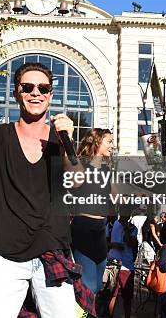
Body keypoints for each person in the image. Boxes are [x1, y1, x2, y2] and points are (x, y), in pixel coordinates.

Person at [0, 63, 92, 318]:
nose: (36, 93)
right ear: (16, 93)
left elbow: (78, 181)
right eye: (28, 87)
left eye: (43, 88)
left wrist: (68, 141)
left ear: (51, 95)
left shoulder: (59, 139)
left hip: (52, 249)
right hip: (6, 253)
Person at [69, 129, 113, 300]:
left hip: (101, 231)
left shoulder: (107, 170)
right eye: (109, 141)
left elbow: (116, 194)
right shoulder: (81, 166)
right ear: (97, 141)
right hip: (83, 228)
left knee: (96, 287)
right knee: (89, 287)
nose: (112, 145)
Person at [106, 215, 138, 318]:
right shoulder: (111, 225)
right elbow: (104, 243)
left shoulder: (133, 228)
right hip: (112, 264)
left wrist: (125, 228)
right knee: (111, 296)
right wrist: (113, 245)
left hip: (127, 266)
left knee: (127, 298)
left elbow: (131, 243)